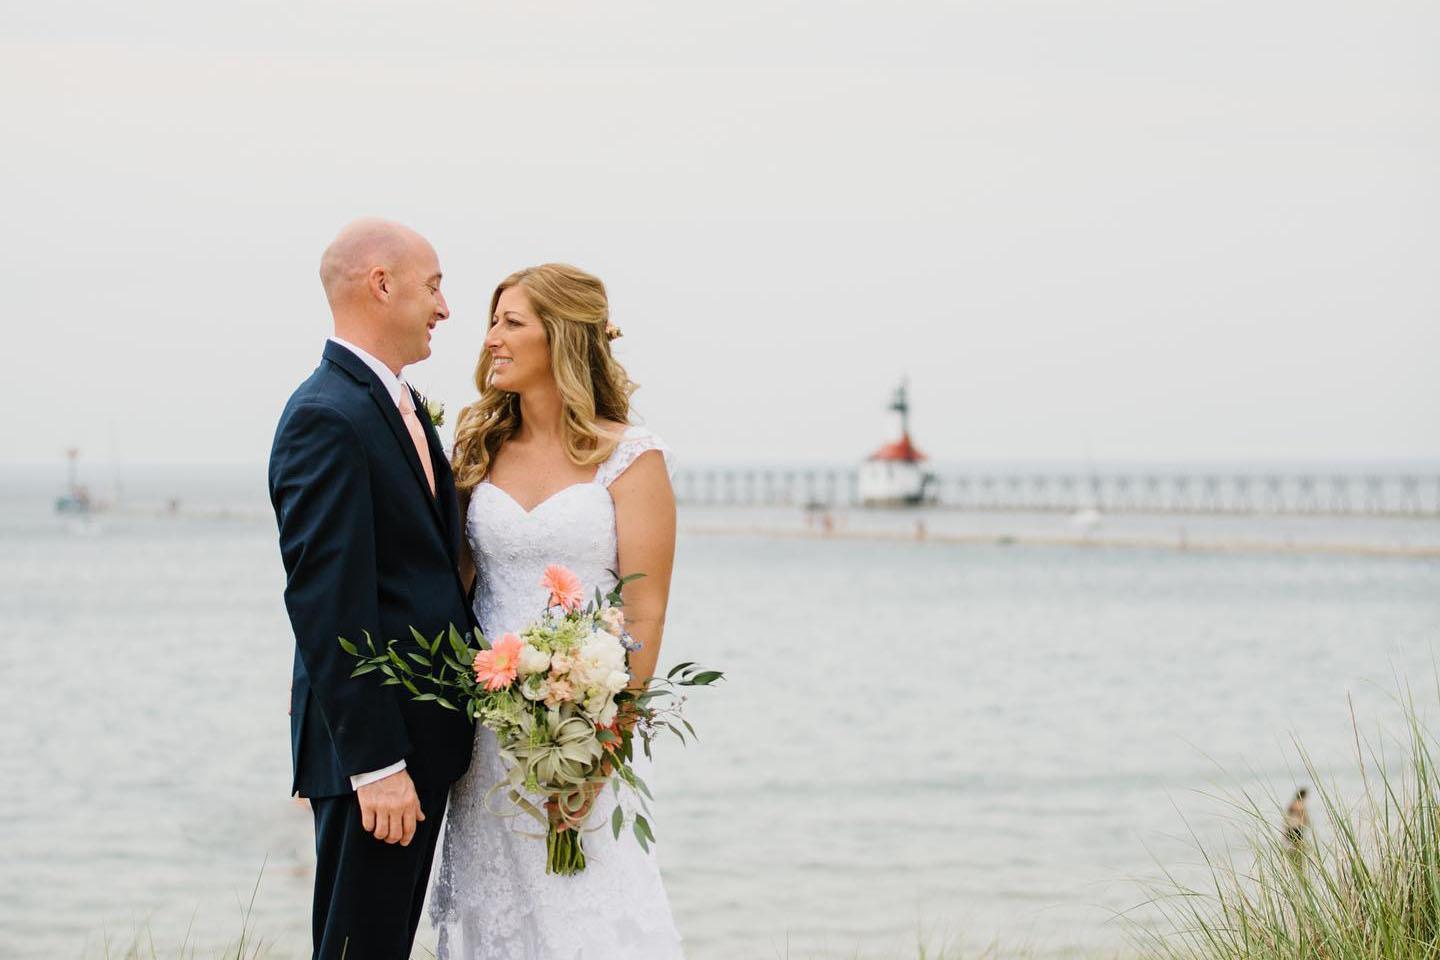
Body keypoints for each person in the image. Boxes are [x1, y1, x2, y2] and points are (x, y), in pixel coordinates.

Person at [431, 263, 684, 958]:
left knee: (586, 906)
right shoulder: (477, 449)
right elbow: (451, 585)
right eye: (492, 322)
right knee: (497, 911)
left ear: (563, 338)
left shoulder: (630, 457)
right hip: (488, 729)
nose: (491, 340)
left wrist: (602, 750)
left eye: (511, 323)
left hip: (584, 726)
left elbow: (647, 611)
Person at [268, 218, 474, 959]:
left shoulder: (397, 403)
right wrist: (379, 765)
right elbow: (328, 602)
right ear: (381, 284)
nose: (446, 308)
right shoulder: (327, 416)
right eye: (435, 285)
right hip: (381, 762)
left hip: (421, 744)